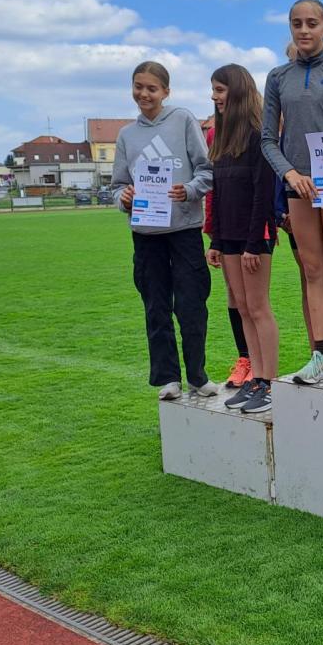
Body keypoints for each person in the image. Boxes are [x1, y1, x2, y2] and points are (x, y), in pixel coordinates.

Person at [261, 0, 323, 388]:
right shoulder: (277, 77)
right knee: (313, 269)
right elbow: (268, 139)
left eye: (312, 23)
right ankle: (320, 353)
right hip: (298, 188)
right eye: (297, 23)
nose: (304, 30)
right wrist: (290, 174)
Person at [111, 60, 217, 401]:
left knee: (191, 305)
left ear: (166, 92)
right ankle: (168, 378)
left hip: (184, 230)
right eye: (138, 87)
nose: (144, 94)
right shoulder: (126, 135)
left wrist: (189, 190)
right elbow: (117, 186)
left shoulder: (183, 120)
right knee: (156, 307)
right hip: (146, 235)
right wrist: (124, 198)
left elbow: (207, 170)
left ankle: (198, 376)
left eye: (152, 88)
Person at [203, 65, 279, 414]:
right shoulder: (220, 140)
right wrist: (217, 241)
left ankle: (269, 383)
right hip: (230, 240)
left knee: (258, 308)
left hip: (254, 240)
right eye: (214, 90)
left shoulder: (258, 137)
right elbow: (217, 196)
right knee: (243, 308)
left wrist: (252, 244)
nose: (215, 97)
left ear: (237, 91)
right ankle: (254, 378)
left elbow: (263, 197)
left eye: (220, 90)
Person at [202, 115, 252, 389]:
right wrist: (212, 230)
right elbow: (213, 187)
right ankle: (244, 358)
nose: (216, 97)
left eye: (222, 93)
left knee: (253, 299)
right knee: (234, 293)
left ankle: (259, 364)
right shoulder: (214, 135)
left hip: (252, 227)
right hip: (225, 227)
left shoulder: (255, 131)